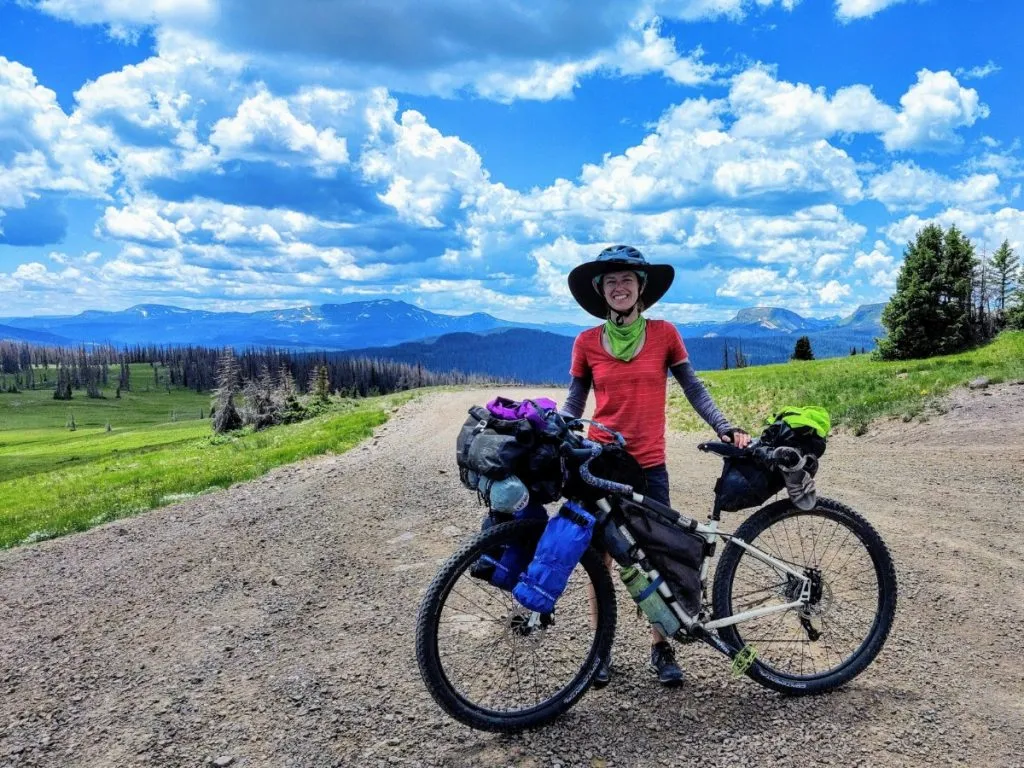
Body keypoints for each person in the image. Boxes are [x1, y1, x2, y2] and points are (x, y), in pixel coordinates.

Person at [562, 244, 750, 688]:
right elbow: (575, 398)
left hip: (648, 465)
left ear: (641, 287)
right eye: (611, 281)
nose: (620, 286)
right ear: (600, 291)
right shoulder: (587, 342)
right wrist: (561, 428)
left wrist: (725, 426)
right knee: (600, 560)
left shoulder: (665, 334)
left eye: (627, 279)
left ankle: (660, 647)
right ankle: (600, 650)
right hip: (602, 463)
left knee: (656, 559)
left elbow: (693, 388)